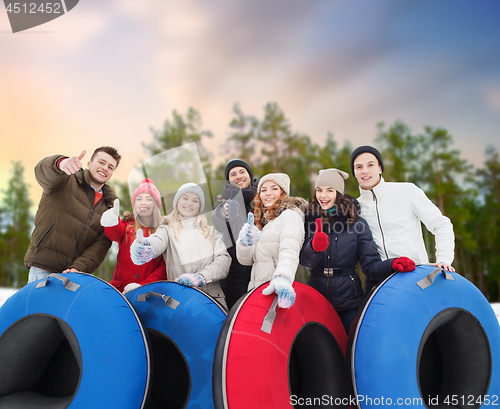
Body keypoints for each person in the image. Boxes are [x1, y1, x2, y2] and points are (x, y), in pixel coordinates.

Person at [299, 168, 416, 334]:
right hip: (316, 298)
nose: (323, 196)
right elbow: (305, 262)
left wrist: (392, 265)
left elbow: (370, 267)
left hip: (349, 302)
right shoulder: (310, 220)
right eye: (319, 190)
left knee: (352, 348)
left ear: (339, 193)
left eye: (329, 190)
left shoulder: (357, 224)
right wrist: (314, 247)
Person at [350, 145, 455, 273]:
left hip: (416, 274)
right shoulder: (355, 208)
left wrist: (444, 259)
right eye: (359, 167)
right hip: (383, 281)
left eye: (370, 165)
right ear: (354, 173)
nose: (364, 171)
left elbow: (441, 224)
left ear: (380, 168)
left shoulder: (407, 191)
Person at [25, 147, 121, 283]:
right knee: (38, 304)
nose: (105, 168)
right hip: (44, 266)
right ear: (89, 164)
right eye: (101, 162)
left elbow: (100, 245)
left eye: (110, 167)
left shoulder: (109, 207)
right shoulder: (64, 179)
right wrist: (59, 163)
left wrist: (79, 268)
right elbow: (43, 171)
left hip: (73, 276)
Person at [130, 183, 230, 308]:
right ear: (177, 202)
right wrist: (147, 246)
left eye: (195, 200)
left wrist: (202, 277)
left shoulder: (212, 232)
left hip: (213, 300)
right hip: (180, 302)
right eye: (185, 198)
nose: (189, 203)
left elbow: (224, 260)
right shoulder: (167, 229)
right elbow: (158, 240)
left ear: (199, 206)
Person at [236, 173, 308, 309]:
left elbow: (289, 250)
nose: (268, 193)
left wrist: (283, 278)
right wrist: (245, 242)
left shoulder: (290, 215)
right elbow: (246, 261)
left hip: (276, 292)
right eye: (263, 190)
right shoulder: (265, 223)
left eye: (274, 188)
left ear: (283, 192)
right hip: (256, 291)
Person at [100, 178, 167, 294]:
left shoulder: (162, 232)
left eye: (149, 199)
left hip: (148, 292)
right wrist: (112, 222)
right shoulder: (127, 226)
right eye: (139, 199)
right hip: (120, 291)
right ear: (134, 204)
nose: (143, 202)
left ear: (156, 204)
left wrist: (143, 286)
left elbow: (164, 267)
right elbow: (115, 233)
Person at [212, 159, 259, 309]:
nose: (238, 176)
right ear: (229, 179)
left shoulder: (263, 196)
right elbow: (217, 219)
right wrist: (224, 213)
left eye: (242, 172)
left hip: (261, 267)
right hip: (234, 274)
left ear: (249, 175)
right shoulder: (223, 199)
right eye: (233, 174)